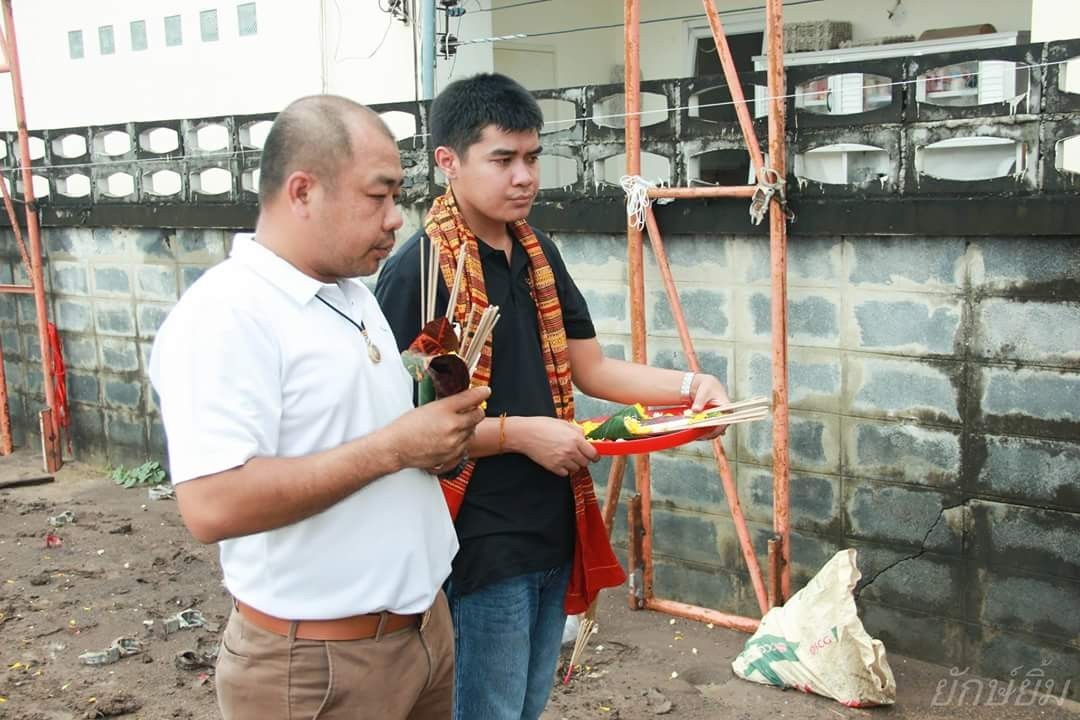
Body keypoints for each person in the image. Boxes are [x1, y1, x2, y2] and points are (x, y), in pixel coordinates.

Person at [375, 73, 732, 720]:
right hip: (478, 535)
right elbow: (404, 428)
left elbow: (591, 367)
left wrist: (689, 390)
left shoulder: (537, 253)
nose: (525, 177)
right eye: (503, 160)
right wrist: (520, 434)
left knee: (526, 706)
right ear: (449, 162)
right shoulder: (421, 273)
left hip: (552, 519)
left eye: (533, 158)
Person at [149, 95, 489, 720]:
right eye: (378, 196)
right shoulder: (226, 316)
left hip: (421, 635)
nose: (396, 218)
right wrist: (394, 449)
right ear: (302, 191)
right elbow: (212, 504)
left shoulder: (351, 294)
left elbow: (368, 440)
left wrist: (438, 442)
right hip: (316, 666)